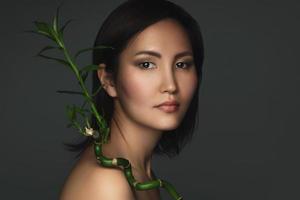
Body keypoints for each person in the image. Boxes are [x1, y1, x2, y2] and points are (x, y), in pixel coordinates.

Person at [59, 0, 204, 199]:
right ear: (108, 80)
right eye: (146, 64)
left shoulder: (139, 173)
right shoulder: (107, 184)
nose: (171, 85)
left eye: (182, 64)